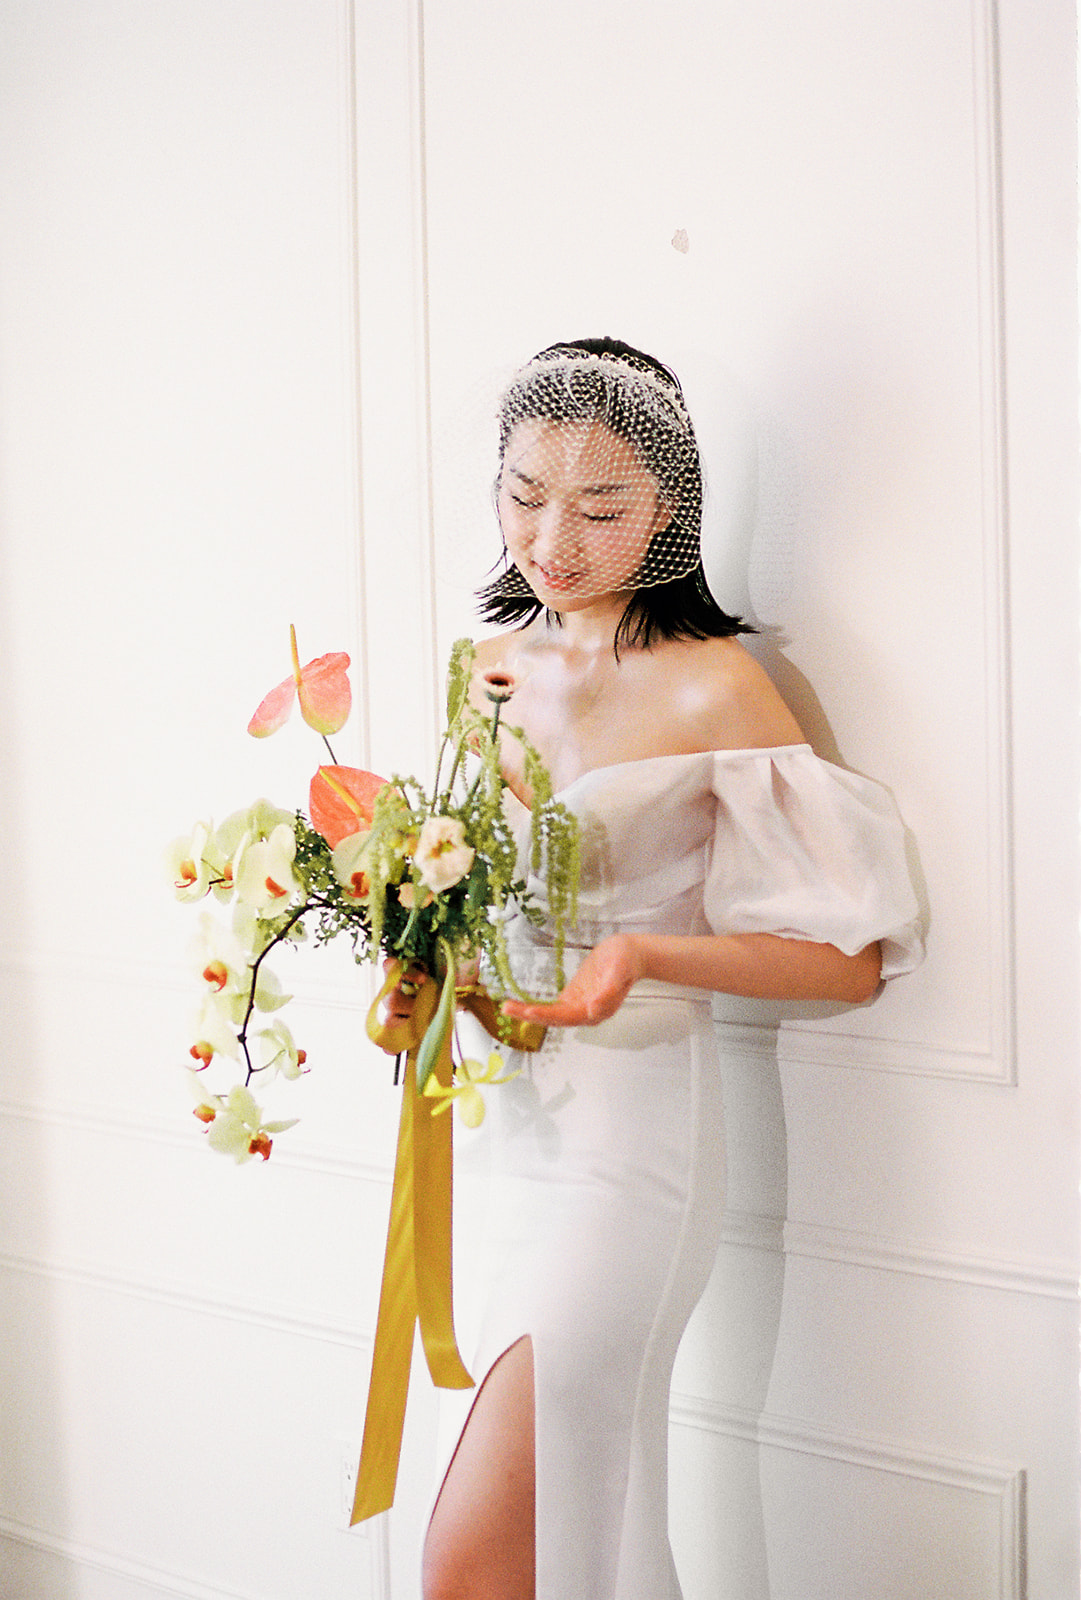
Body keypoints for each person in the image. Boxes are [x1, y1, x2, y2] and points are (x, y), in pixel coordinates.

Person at [386, 337, 923, 1600]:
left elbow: (848, 962)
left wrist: (639, 953)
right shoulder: (491, 666)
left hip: (634, 1155)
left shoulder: (718, 686)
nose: (550, 537)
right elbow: (464, 901)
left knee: (479, 1559)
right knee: (580, 1533)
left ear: (671, 511)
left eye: (599, 504)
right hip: (500, 1129)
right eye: (523, 492)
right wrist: (415, 976)